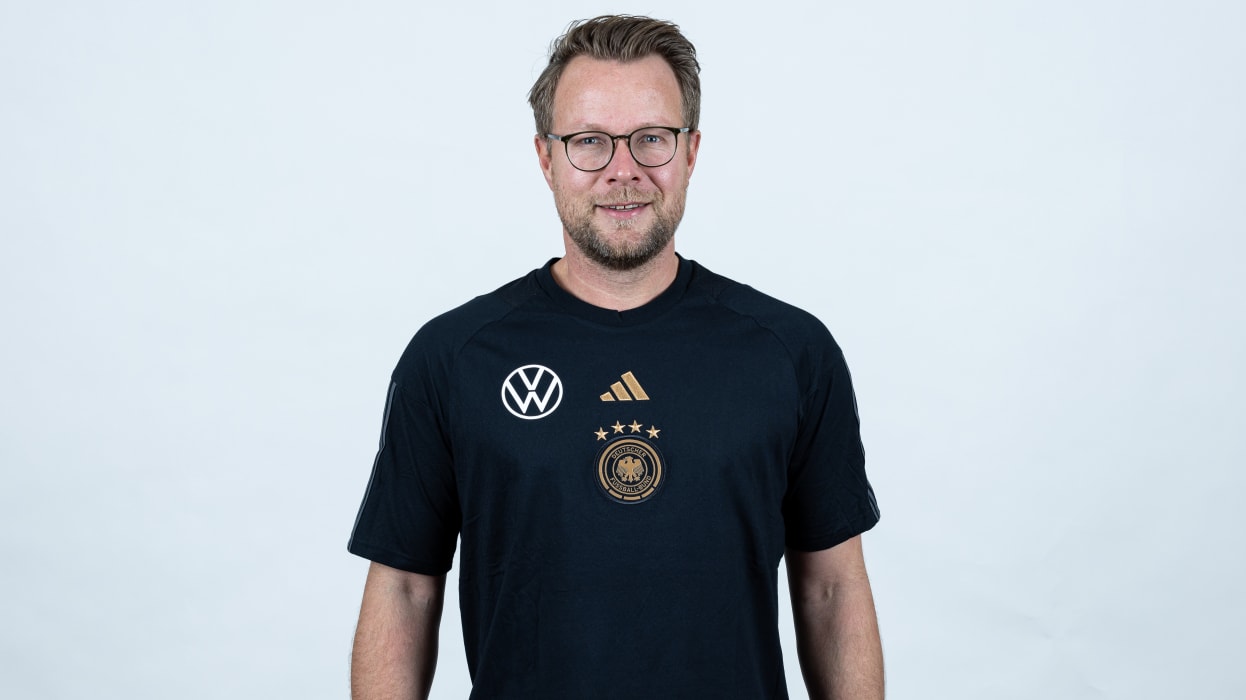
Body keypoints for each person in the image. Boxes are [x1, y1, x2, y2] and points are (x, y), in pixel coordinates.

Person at [348, 14, 882, 700]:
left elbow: (832, 587)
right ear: (546, 158)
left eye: (652, 138)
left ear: (691, 151)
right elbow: (404, 588)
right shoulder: (453, 358)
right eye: (590, 142)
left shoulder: (790, 352)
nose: (623, 171)